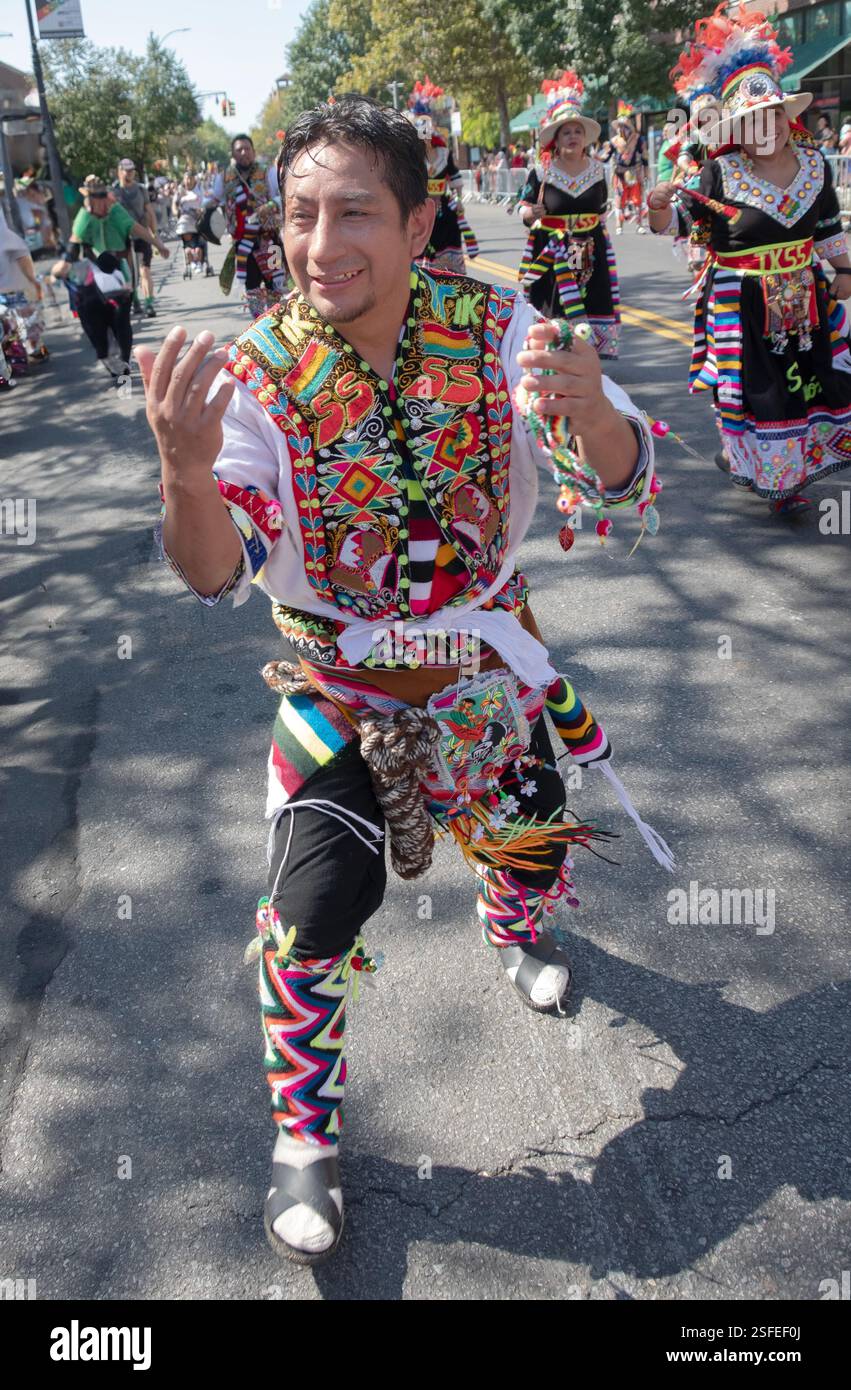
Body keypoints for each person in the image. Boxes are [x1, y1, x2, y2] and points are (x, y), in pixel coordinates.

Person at [137, 94, 667, 1267]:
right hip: (340, 694)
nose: (321, 245)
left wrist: (590, 416)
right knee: (312, 917)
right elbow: (215, 569)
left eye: (355, 213)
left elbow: (619, 480)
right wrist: (182, 472)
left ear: (422, 219)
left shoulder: (494, 326)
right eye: (300, 215)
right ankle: (303, 1132)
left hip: (483, 672)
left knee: (530, 830)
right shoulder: (259, 373)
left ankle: (512, 923)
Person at [649, 2, 851, 516]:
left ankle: (781, 466)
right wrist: (656, 208)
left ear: (788, 116)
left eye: (776, 116)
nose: (770, 127)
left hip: (806, 297)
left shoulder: (814, 163)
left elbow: (826, 224)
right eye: (756, 119)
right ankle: (775, 477)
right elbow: (684, 226)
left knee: (809, 381)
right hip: (741, 303)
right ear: (740, 126)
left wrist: (844, 269)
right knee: (761, 393)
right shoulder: (719, 173)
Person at [517, 72, 620, 358]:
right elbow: (521, 207)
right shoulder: (541, 172)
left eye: (577, 131)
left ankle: (586, 360)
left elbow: (600, 209)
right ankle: (555, 356)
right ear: (556, 139)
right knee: (554, 304)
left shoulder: (598, 170)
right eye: (566, 132)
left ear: (584, 137)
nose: (573, 136)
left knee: (590, 300)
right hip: (552, 251)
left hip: (591, 247)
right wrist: (530, 213)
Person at [51, 175, 168, 381]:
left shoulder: (116, 212)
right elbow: (73, 246)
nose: (97, 203)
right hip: (94, 277)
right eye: (92, 199)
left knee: (122, 320)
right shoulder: (84, 217)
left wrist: (158, 244)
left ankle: (123, 360)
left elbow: (138, 229)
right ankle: (110, 357)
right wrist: (62, 266)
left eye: (100, 198)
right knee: (99, 321)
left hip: (120, 271)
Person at [405, 78, 478, 272]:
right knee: (421, 250)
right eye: (420, 130)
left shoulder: (444, 155)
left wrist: (459, 199)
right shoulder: (411, 158)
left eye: (427, 129)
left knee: (448, 247)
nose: (425, 135)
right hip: (419, 209)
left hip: (444, 210)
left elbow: (455, 179)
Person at [211, 134, 285, 317]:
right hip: (244, 244)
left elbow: (284, 195)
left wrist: (270, 205)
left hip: (270, 240)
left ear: (253, 151)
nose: (244, 152)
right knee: (251, 285)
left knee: (274, 283)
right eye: (239, 149)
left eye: (247, 148)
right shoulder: (224, 178)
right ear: (233, 154)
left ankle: (275, 323)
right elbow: (214, 198)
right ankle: (259, 324)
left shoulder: (268, 172)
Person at [0, 203, 47, 364]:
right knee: (25, 325)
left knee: (18, 326)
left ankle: (23, 353)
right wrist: (33, 282)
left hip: (9, 295)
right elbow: (24, 262)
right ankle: (30, 351)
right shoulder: (10, 239)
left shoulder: (9, 239)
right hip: (16, 292)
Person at [112, 157, 159, 317]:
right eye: (126, 171)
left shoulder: (141, 189)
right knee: (129, 272)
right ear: (119, 172)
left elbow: (150, 212)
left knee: (145, 270)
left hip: (142, 234)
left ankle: (149, 303)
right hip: (123, 237)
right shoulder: (113, 191)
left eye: (132, 171)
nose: (130, 174)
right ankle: (135, 300)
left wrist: (155, 235)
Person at [603, 104, 649, 234]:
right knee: (619, 200)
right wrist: (598, 158)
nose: (622, 129)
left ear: (629, 127)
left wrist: (646, 173)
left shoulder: (638, 139)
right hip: (620, 173)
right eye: (620, 126)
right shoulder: (614, 141)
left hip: (634, 172)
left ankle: (639, 225)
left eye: (624, 126)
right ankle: (619, 226)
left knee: (637, 200)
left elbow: (645, 156)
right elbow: (606, 157)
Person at [172, 171, 206, 274]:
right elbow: (174, 205)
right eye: (186, 179)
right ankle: (192, 261)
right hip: (185, 219)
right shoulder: (180, 190)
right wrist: (176, 212)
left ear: (194, 179)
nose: (188, 181)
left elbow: (205, 202)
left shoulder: (199, 189)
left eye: (190, 178)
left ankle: (199, 261)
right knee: (188, 242)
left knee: (199, 246)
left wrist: (202, 210)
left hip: (198, 218)